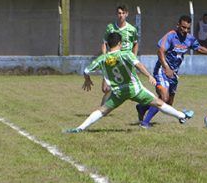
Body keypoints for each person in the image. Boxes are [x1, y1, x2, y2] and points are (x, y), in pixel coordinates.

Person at [62, 32, 193, 133]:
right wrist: (149, 76)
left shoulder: (102, 59)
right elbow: (138, 65)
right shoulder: (126, 54)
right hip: (134, 89)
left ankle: (80, 128)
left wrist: (87, 79)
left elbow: (86, 70)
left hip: (118, 92)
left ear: (107, 44)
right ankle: (181, 116)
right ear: (119, 43)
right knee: (159, 103)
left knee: (102, 110)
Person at [136, 15, 207, 128]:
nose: (185, 30)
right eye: (183, 27)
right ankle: (145, 123)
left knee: (168, 103)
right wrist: (166, 67)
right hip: (161, 70)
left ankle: (143, 107)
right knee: (164, 97)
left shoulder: (189, 39)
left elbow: (199, 48)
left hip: (173, 73)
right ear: (178, 25)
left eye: (188, 28)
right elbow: (160, 52)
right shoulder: (170, 36)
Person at [100, 5, 139, 105]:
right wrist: (105, 57)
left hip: (126, 62)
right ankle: (103, 107)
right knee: (105, 89)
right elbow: (104, 43)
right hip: (113, 60)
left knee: (134, 87)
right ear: (116, 14)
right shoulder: (110, 28)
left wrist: (134, 57)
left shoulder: (132, 29)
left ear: (127, 14)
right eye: (119, 13)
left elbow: (135, 44)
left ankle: (142, 106)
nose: (121, 15)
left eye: (123, 13)